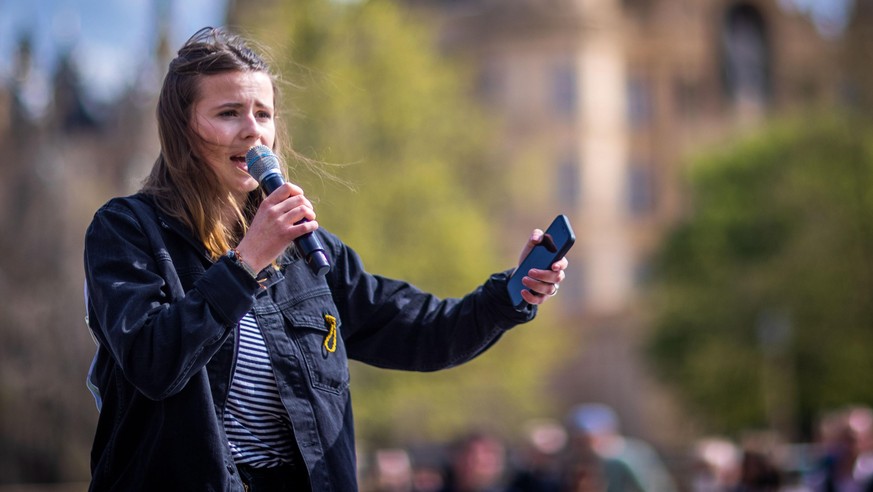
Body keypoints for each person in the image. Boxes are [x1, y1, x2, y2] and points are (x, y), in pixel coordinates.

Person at [82, 26, 569, 491]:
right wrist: (246, 261)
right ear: (182, 128)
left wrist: (511, 293)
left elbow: (424, 331)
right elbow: (152, 362)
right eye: (229, 113)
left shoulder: (307, 252)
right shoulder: (128, 231)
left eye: (263, 114)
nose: (253, 132)